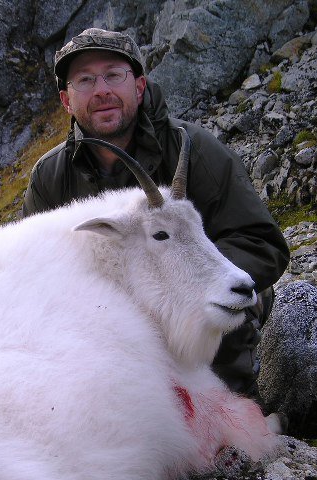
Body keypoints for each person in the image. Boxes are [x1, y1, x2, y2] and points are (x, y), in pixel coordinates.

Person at [23, 28, 290, 402]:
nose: (101, 90)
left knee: (221, 435)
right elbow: (38, 273)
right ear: (67, 101)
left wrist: (183, 281)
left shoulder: (192, 149)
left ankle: (237, 399)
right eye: (85, 80)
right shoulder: (50, 177)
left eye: (114, 75)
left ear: (139, 86)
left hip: (202, 321)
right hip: (110, 328)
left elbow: (261, 243)